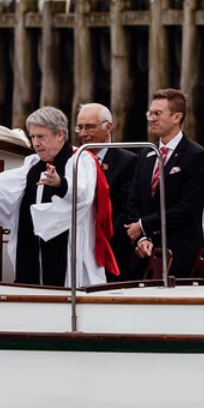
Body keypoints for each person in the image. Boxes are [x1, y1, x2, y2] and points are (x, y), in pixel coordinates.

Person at [0, 106, 112, 288]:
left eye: (41, 136)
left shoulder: (80, 159)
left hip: (67, 250)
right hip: (32, 248)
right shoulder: (33, 164)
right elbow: (3, 186)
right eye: (32, 137)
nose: (36, 143)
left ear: (60, 135)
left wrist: (59, 183)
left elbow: (83, 193)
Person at [123, 88, 204, 278]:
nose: (152, 119)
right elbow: (133, 201)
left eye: (158, 114)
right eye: (150, 113)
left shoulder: (197, 156)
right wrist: (142, 238)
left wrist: (143, 225)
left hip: (180, 256)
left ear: (177, 117)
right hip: (145, 255)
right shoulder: (146, 154)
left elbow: (188, 209)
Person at [76, 103, 144, 281]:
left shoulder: (128, 161)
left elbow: (125, 210)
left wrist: (94, 236)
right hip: (79, 249)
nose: (83, 134)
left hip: (112, 251)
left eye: (89, 127)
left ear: (109, 127)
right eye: (80, 127)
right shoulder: (74, 162)